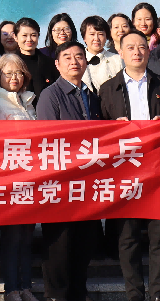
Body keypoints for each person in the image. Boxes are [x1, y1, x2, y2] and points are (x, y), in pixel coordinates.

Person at [99, 32, 160, 301]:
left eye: (142, 47)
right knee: (128, 237)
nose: (137, 52)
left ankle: (158, 294)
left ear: (149, 51)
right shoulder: (107, 89)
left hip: (158, 170)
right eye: (130, 47)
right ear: (121, 53)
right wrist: (113, 130)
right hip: (125, 171)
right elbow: (97, 134)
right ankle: (134, 294)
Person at [36, 41, 102, 301]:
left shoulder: (91, 95)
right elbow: (48, 140)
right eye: (67, 57)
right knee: (59, 246)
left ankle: (77, 293)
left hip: (87, 183)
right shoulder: (50, 95)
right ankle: (56, 295)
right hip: (61, 184)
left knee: (83, 244)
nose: (74, 62)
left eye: (79, 56)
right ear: (57, 63)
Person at [0, 54, 36, 301]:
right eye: (8, 73)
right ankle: (11, 288)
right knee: (11, 237)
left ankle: (26, 286)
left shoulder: (29, 102)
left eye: (18, 73)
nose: (14, 78)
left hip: (31, 178)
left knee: (27, 237)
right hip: (8, 179)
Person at [14, 17, 57, 98]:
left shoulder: (50, 64)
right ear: (15, 37)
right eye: (24, 35)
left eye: (33, 35)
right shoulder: (9, 64)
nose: (29, 39)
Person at [80, 15, 122, 93]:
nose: (96, 38)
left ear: (106, 37)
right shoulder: (77, 60)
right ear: (84, 37)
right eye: (92, 34)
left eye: (100, 34)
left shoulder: (117, 60)